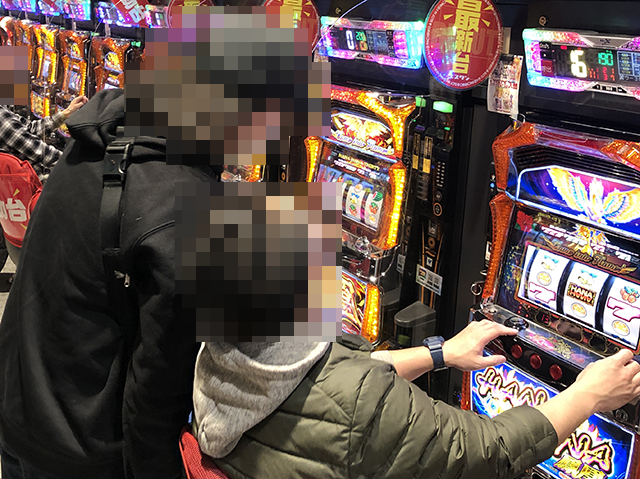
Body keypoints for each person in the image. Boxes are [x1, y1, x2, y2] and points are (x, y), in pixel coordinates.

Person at [0, 88, 215, 478]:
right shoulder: (184, 201)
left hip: (19, 406)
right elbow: (159, 386)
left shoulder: (95, 139)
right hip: (79, 448)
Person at [193, 322, 640, 479]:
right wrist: (588, 394)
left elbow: (325, 372)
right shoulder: (358, 405)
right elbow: (491, 451)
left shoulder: (218, 362)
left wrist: (439, 353)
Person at [0, 96, 87, 184]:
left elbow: (30, 128)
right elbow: (38, 150)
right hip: (36, 183)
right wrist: (79, 164)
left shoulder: (3, 110)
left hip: (31, 177)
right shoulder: (1, 116)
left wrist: (65, 114)